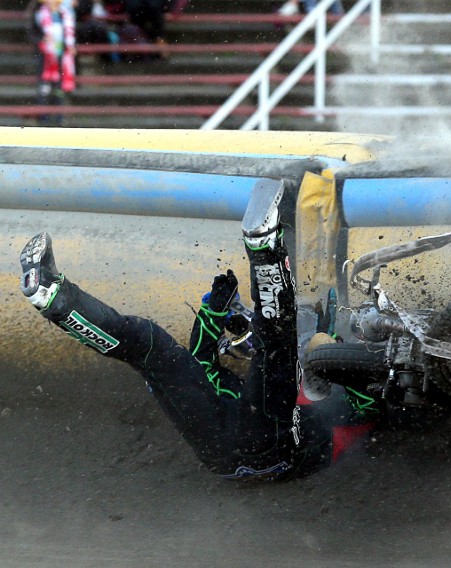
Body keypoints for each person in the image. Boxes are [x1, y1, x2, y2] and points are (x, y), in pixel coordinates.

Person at [19, 181, 375, 480]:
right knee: (151, 345)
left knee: (274, 347)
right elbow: (200, 361)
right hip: (224, 451)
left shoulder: (337, 398)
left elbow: (371, 405)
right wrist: (213, 310)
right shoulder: (240, 389)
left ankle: (266, 249)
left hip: (270, 451)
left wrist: (335, 362)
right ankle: (57, 299)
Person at [32, 0, 77, 124]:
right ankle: (43, 117)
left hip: (61, 57)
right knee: (44, 88)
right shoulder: (38, 14)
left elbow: (69, 34)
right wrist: (42, 41)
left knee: (59, 88)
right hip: (45, 57)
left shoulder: (65, 15)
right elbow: (33, 34)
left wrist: (69, 46)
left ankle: (59, 117)